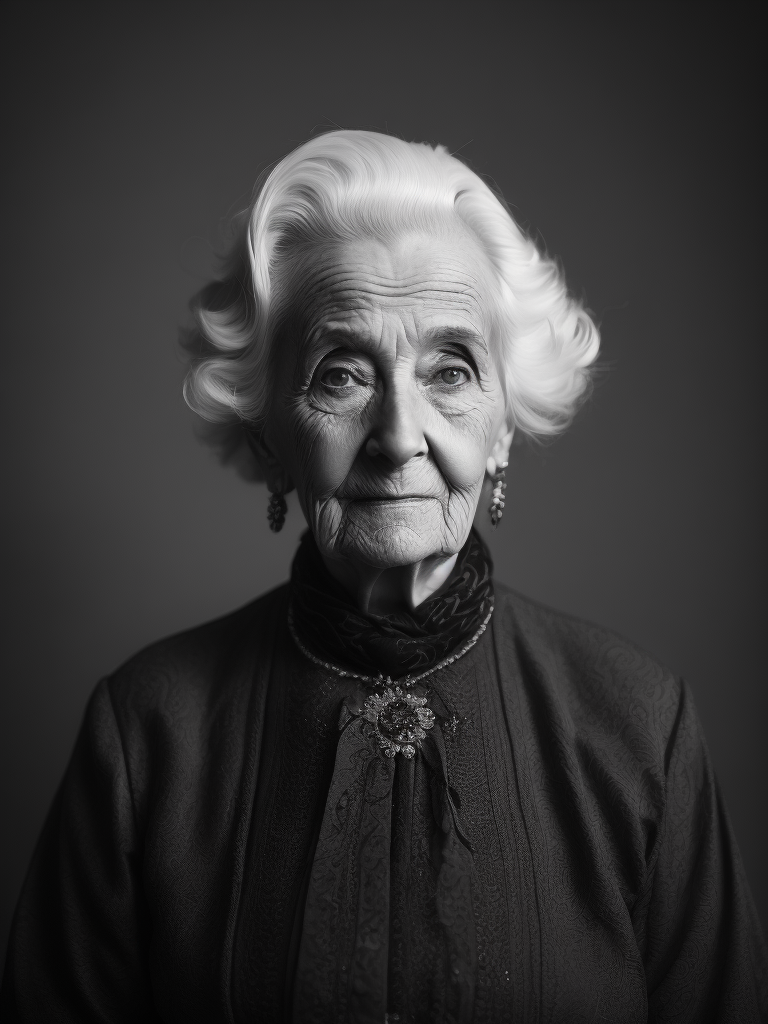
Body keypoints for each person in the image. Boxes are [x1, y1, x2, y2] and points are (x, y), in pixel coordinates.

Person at [2, 130, 766, 1023]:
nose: (400, 436)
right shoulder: (145, 733)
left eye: (451, 370)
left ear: (503, 426)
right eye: (341, 376)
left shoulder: (639, 725)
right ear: (269, 436)